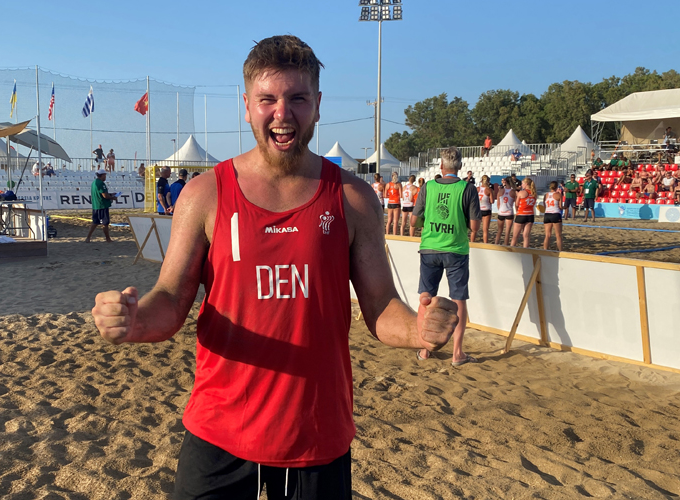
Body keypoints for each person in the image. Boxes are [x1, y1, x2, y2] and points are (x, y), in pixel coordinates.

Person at [91, 35, 459, 500]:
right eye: (268, 99)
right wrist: (134, 319)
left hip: (315, 431)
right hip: (220, 425)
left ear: (318, 105)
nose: (282, 113)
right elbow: (170, 299)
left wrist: (418, 328)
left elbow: (382, 306)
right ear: (247, 106)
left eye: (297, 98)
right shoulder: (204, 194)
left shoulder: (353, 199)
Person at [411, 146, 480, 366]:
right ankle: (457, 354)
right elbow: (475, 226)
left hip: (430, 248)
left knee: (426, 299)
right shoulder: (467, 188)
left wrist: (427, 223)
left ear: (441, 166)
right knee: (458, 301)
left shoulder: (428, 187)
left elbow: (414, 221)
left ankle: (425, 348)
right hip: (456, 250)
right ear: (459, 166)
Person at [85, 169, 117, 243]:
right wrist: (113, 197)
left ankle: (88, 238)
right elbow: (105, 195)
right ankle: (108, 239)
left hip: (96, 205)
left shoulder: (94, 182)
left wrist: (111, 194)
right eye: (105, 175)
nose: (105, 177)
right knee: (105, 223)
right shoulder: (101, 183)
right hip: (102, 205)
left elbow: (101, 193)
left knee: (95, 222)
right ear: (102, 175)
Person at [510, 178, 536, 248]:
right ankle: (525, 252)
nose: (521, 185)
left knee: (515, 237)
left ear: (526, 184)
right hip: (530, 215)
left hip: (521, 214)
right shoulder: (534, 193)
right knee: (526, 236)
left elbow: (517, 204)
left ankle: (511, 252)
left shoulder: (522, 192)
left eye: (522, 183)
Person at [470, 175, 493, 244]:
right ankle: (485, 244)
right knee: (485, 230)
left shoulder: (477, 189)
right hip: (486, 209)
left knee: (474, 230)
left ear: (481, 181)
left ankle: (472, 244)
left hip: (478, 210)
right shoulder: (489, 190)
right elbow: (492, 201)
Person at [543, 181, 563, 252]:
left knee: (547, 235)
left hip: (547, 214)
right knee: (558, 235)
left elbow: (545, 206)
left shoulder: (546, 195)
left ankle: (545, 250)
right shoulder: (558, 195)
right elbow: (560, 207)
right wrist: (564, 207)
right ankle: (560, 251)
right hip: (555, 214)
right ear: (556, 187)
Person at [495, 177, 515, 246]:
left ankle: (496, 244)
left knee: (499, 231)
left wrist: (500, 210)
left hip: (501, 212)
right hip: (509, 212)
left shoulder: (500, 191)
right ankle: (506, 245)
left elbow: (498, 204)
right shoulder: (513, 192)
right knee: (507, 232)